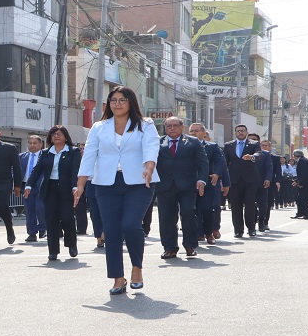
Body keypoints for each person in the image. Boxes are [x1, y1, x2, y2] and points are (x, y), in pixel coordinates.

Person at [75, 86, 160, 295]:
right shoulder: (99, 127)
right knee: (111, 231)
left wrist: (149, 167)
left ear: (131, 102)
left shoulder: (145, 124)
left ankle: (137, 268)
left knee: (131, 225)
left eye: (122, 100)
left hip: (140, 182)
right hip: (106, 184)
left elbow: (151, 147)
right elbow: (89, 155)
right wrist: (81, 184)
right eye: (113, 100)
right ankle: (117, 278)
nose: (117, 104)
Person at [24, 125, 81, 260]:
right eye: (53, 134)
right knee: (51, 220)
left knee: (67, 217)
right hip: (50, 189)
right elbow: (37, 170)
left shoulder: (73, 151)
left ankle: (71, 244)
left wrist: (75, 187)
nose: (56, 136)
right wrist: (29, 185)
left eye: (59, 134)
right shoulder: (46, 153)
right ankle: (53, 251)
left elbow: (75, 171)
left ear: (65, 137)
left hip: (67, 189)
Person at [156, 117, 208, 259]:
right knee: (166, 217)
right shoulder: (158, 142)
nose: (172, 128)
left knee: (188, 213)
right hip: (164, 186)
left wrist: (202, 180)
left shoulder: (193, 142)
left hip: (187, 186)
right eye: (169, 126)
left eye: (175, 126)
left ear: (182, 127)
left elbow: (203, 163)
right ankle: (169, 248)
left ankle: (190, 246)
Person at [188, 122, 226, 245]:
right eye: (191, 131)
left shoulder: (212, 147)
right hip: (189, 183)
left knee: (206, 208)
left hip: (208, 183)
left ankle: (208, 233)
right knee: (191, 210)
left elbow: (221, 162)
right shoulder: (185, 145)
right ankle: (198, 234)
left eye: (196, 131)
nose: (193, 133)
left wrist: (217, 174)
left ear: (204, 133)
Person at [222, 124, 260, 238]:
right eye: (238, 131)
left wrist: (252, 157)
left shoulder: (253, 144)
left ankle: (251, 228)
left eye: (242, 131)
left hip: (250, 180)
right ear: (235, 133)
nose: (240, 133)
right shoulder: (229, 145)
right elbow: (224, 163)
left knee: (250, 205)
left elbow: (259, 154)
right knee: (235, 206)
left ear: (247, 132)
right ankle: (238, 230)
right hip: (234, 180)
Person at [19, 135, 46, 242]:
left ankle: (43, 228)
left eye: (35, 143)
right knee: (29, 210)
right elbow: (16, 171)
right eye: (30, 143)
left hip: (41, 186)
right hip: (26, 187)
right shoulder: (21, 157)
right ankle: (32, 233)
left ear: (41, 145)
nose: (32, 145)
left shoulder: (45, 156)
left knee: (40, 207)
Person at [247, 133, 273, 232]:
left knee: (263, 205)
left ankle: (262, 221)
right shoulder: (242, 153)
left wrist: (268, 179)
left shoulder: (264, 154)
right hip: (248, 184)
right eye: (250, 139)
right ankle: (251, 224)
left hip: (261, 183)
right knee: (250, 205)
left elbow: (269, 168)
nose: (252, 141)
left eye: (254, 140)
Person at [260, 140, 281, 230]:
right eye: (263, 145)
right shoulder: (256, 156)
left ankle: (265, 222)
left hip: (270, 183)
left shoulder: (275, 158)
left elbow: (278, 171)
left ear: (270, 147)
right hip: (257, 182)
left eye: (266, 146)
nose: (264, 147)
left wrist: (278, 181)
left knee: (267, 203)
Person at [290, 149, 308, 220]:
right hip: (305, 183)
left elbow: (304, 174)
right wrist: (297, 181)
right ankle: (300, 213)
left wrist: (301, 183)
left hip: (306, 184)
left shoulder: (303, 161)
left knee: (303, 199)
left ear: (295, 155)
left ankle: (307, 214)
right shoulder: (303, 161)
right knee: (299, 199)